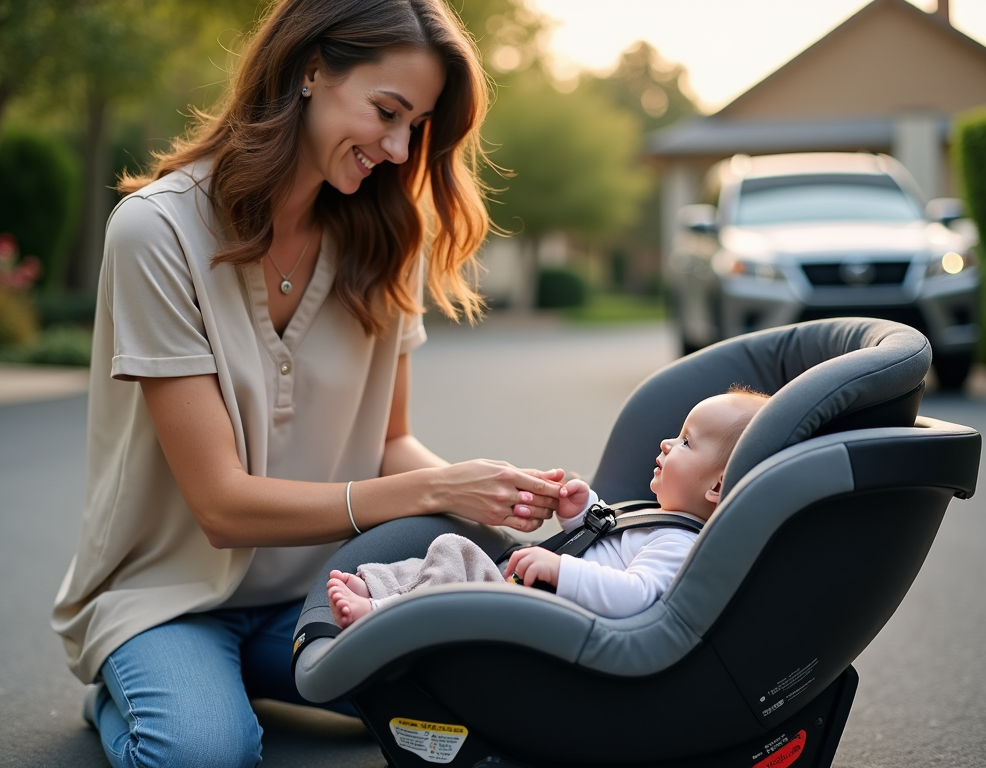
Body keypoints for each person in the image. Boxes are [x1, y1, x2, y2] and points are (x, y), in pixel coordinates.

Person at [50, 2, 565, 767]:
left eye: (415, 125)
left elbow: (389, 443)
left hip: (320, 594)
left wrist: (502, 502)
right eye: (386, 111)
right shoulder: (156, 233)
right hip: (167, 599)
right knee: (203, 754)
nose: (396, 148)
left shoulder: (387, 238)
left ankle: (238, 681)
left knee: (463, 701)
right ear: (310, 69)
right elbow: (220, 506)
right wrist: (435, 493)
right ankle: (129, 690)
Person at [327, 387, 770, 626]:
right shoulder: (660, 524)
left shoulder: (680, 545)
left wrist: (561, 570)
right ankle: (381, 586)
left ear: (716, 487)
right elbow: (610, 549)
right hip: (529, 595)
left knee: (454, 557)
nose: (667, 442)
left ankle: (379, 616)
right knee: (448, 559)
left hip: (542, 619)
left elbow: (633, 595)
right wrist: (584, 511)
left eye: (686, 442)